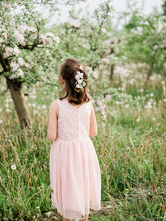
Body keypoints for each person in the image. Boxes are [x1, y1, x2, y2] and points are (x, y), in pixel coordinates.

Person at [47, 58, 101, 221]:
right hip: (84, 151)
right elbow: (93, 132)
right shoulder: (88, 104)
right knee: (83, 186)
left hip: (64, 154)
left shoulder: (56, 105)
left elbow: (52, 136)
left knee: (68, 190)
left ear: (62, 80)